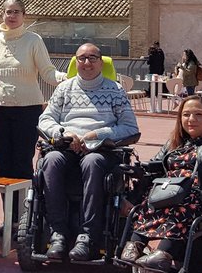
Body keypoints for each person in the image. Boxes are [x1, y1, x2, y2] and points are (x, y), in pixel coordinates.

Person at [37, 43, 141, 261]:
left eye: (92, 58)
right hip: (67, 146)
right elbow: (45, 119)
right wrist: (65, 133)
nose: (86, 63)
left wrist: (97, 135)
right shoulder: (64, 89)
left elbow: (130, 128)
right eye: (81, 58)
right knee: (51, 160)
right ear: (76, 62)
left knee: (92, 162)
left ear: (101, 63)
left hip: (100, 151)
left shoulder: (115, 90)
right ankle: (58, 234)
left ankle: (87, 237)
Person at [123, 96, 202, 272]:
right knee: (151, 199)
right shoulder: (176, 140)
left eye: (198, 114)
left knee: (181, 201)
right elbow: (156, 165)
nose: (191, 119)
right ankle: (135, 245)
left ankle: (164, 253)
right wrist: (139, 171)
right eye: (186, 115)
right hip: (171, 190)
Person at [0, 0, 65, 229]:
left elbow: (48, 72)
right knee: (4, 166)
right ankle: (10, 220)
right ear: (2, 15)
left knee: (23, 164)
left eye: (16, 11)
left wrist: (67, 79)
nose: (12, 16)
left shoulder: (33, 40)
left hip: (28, 110)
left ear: (23, 15)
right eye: (8, 11)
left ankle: (26, 219)